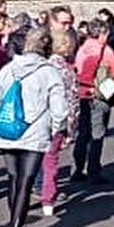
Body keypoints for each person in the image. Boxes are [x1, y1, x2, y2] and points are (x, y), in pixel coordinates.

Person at [0, 27, 67, 227]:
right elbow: (59, 110)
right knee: (26, 182)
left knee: (12, 179)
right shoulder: (50, 72)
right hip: (35, 132)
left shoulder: (8, 68)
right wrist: (54, 129)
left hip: (7, 130)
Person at [72, 16, 114, 183]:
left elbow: (77, 69)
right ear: (102, 33)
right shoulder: (106, 51)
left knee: (83, 133)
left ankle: (77, 169)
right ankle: (94, 170)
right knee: (98, 134)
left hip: (83, 93)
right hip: (100, 95)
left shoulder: (82, 48)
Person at [38, 28, 80, 216]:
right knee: (51, 161)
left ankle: (27, 192)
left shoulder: (42, 67)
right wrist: (71, 126)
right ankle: (48, 198)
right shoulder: (67, 71)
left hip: (39, 119)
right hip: (58, 120)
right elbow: (72, 100)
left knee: (33, 160)